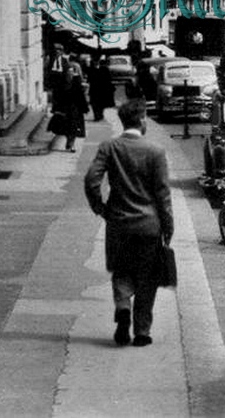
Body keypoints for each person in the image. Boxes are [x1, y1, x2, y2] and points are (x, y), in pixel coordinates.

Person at [84, 99, 174, 348]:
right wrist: (168, 226)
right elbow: (163, 194)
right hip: (149, 224)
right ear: (143, 119)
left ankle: (123, 306)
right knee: (147, 277)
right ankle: (142, 331)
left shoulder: (109, 147)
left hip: (119, 223)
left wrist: (100, 208)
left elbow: (92, 179)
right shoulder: (155, 151)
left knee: (122, 270)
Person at [51, 64, 89, 152]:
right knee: (66, 128)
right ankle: (69, 141)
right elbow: (56, 97)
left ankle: (71, 144)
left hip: (75, 109)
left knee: (74, 128)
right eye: (68, 73)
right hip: (64, 109)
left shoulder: (76, 83)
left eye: (72, 73)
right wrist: (55, 109)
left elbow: (81, 96)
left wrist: (85, 108)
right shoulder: (61, 84)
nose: (70, 75)